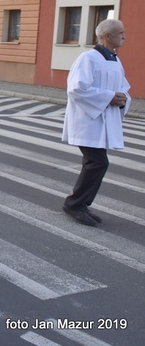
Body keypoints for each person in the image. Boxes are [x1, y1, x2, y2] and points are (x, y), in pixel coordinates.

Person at [62, 19, 130, 226]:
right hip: (87, 121)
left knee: (95, 163)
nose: (124, 37)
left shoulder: (115, 61)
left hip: (102, 121)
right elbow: (76, 89)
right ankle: (75, 204)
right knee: (98, 162)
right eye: (121, 33)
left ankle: (80, 204)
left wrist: (122, 99)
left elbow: (124, 87)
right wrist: (109, 97)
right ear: (107, 36)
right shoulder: (88, 58)